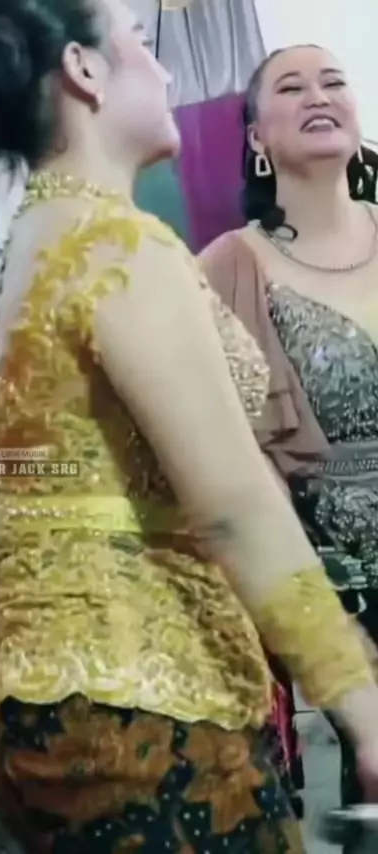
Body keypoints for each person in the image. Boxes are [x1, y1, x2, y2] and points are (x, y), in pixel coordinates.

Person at [0, 5, 378, 853]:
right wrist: (361, 703)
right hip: (136, 698)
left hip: (50, 700)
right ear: (85, 70)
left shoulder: (37, 241)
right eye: (144, 47)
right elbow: (234, 504)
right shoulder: (114, 243)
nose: (163, 73)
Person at [200, 43, 378, 830]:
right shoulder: (227, 269)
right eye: (292, 87)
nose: (319, 95)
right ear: (256, 138)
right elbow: (223, 449)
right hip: (345, 583)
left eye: (333, 81)